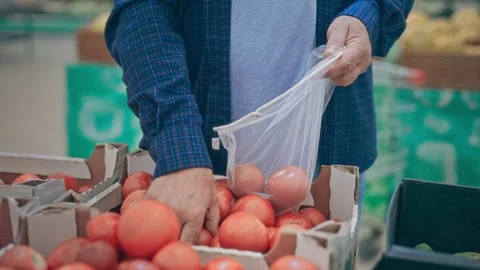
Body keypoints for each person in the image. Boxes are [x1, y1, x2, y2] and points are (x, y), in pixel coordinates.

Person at [105, 0, 413, 244]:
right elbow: (142, 10)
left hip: (330, 161)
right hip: (199, 165)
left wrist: (367, 13)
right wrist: (179, 142)